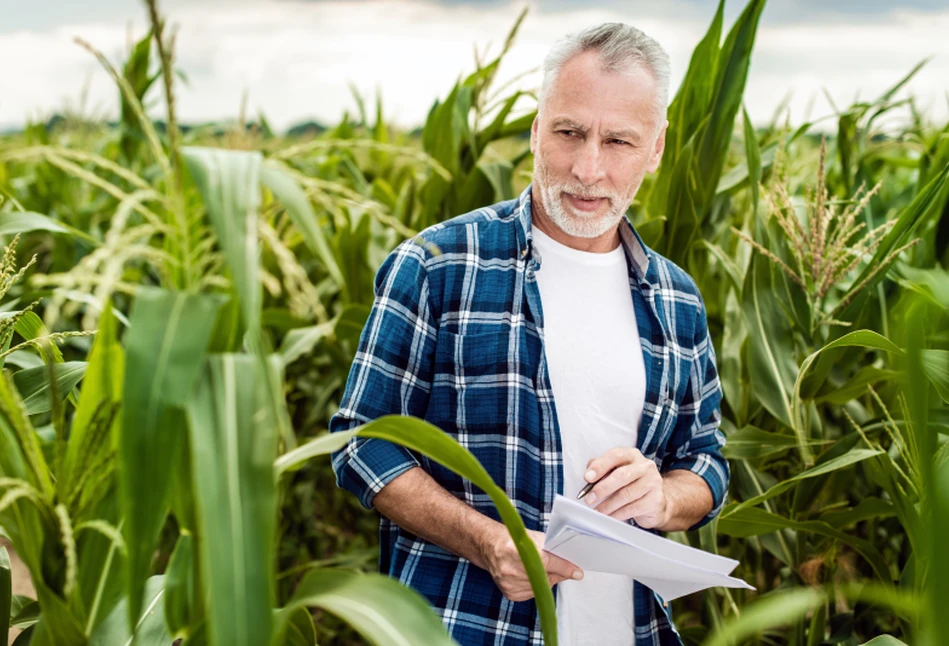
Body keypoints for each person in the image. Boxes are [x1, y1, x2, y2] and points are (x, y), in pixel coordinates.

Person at [330, 22, 729, 646]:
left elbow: (705, 460)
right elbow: (362, 445)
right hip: (468, 627)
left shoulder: (676, 298)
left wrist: (664, 498)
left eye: (619, 141)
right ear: (537, 128)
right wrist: (490, 542)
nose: (588, 167)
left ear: (655, 149)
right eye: (569, 132)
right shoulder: (438, 265)